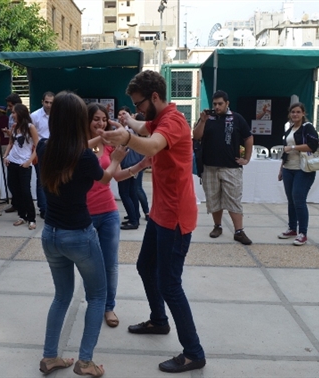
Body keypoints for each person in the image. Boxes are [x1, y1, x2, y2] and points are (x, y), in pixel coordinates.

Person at [97, 70, 206, 373]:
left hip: (176, 217)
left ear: (155, 97)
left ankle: (194, 352)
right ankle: (158, 320)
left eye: (140, 104)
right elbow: (143, 125)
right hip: (161, 213)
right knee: (146, 267)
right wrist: (125, 123)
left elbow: (153, 143)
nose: (138, 110)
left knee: (170, 284)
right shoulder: (159, 117)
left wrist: (129, 138)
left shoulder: (173, 123)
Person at [37, 91, 124, 377]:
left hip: (50, 234)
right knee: (98, 296)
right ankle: (85, 362)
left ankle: (50, 356)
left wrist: (100, 140)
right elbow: (106, 177)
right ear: (78, 120)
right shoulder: (84, 156)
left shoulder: (46, 146)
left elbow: (73, 148)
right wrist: (117, 156)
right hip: (79, 236)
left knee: (61, 296)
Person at [86, 102, 147, 329]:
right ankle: (95, 302)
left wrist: (140, 165)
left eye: (103, 119)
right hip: (85, 215)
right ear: (87, 121)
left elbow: (115, 176)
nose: (100, 123)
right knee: (91, 265)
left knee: (110, 263)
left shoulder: (109, 146)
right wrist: (105, 141)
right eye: (95, 119)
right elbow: (85, 154)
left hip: (108, 211)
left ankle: (108, 306)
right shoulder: (81, 144)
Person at [193, 90, 253, 245]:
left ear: (227, 103)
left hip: (231, 167)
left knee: (233, 199)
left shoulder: (237, 118)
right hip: (209, 167)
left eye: (220, 104)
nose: (217, 107)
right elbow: (197, 136)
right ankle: (217, 226)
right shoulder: (207, 118)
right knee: (213, 199)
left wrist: (246, 158)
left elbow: (248, 137)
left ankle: (239, 231)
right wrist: (203, 121)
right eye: (215, 104)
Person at [278, 102, 319, 246]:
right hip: (288, 168)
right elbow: (285, 150)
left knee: (299, 200)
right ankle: (292, 228)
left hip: (303, 169)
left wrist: (293, 147)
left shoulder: (307, 128)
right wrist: (281, 169)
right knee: (291, 200)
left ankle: (303, 233)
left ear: (303, 113)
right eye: (292, 112)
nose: (295, 114)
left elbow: (313, 146)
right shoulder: (289, 129)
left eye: (297, 112)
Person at [2, 104, 39, 230]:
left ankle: (32, 218)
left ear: (21, 113)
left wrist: (29, 161)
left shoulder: (30, 127)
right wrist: (5, 156)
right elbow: (11, 143)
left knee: (25, 191)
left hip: (24, 164)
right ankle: (22, 216)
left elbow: (37, 146)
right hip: (12, 161)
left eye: (14, 112)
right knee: (14, 188)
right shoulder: (14, 126)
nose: (12, 115)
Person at [116, 106, 144, 230]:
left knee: (125, 193)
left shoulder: (132, 128)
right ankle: (134, 216)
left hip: (128, 164)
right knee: (131, 192)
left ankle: (133, 220)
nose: (121, 116)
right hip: (131, 163)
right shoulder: (119, 127)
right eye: (119, 114)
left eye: (124, 114)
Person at [30, 91, 54, 219]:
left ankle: (52, 206)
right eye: (47, 102)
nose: (49, 105)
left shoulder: (58, 114)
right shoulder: (34, 116)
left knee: (54, 179)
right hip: (40, 148)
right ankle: (43, 209)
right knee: (41, 180)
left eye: (51, 103)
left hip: (55, 149)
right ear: (42, 102)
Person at [3, 93, 23, 213]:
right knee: (12, 181)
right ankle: (15, 203)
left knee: (20, 183)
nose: (9, 109)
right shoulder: (11, 117)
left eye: (11, 106)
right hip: (12, 151)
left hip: (21, 153)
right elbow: (12, 138)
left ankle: (22, 205)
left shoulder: (27, 119)